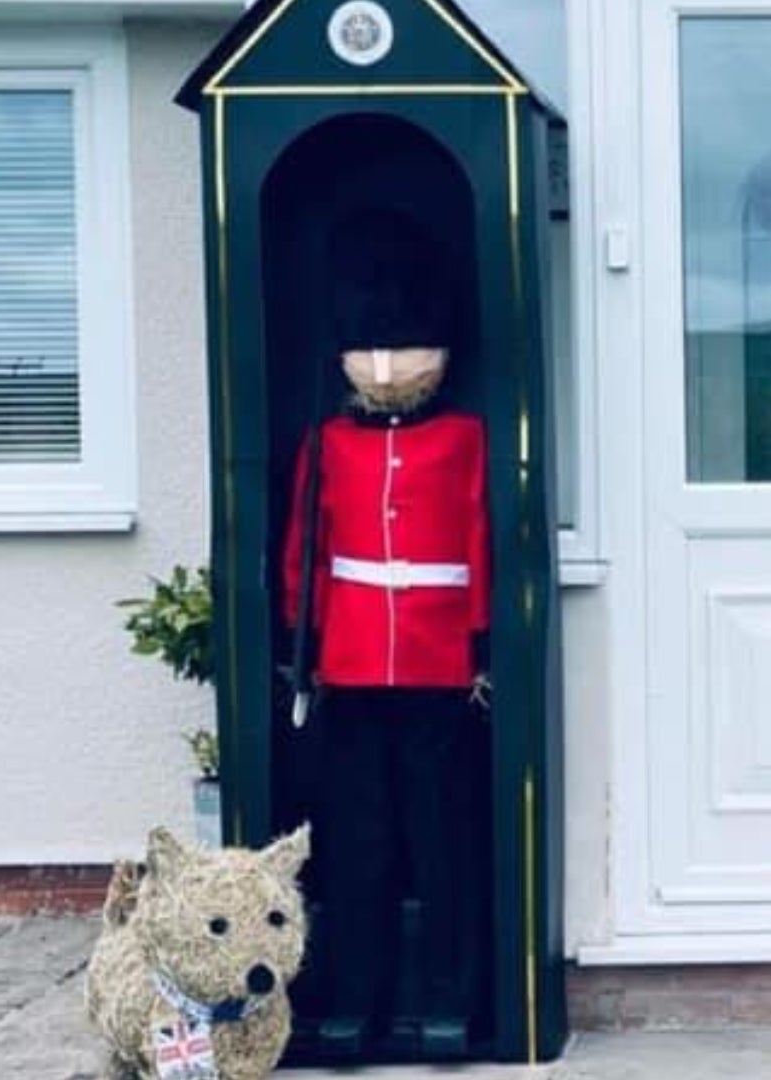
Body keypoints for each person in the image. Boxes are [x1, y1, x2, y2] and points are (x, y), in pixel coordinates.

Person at [280, 210, 490, 1060]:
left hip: (441, 669)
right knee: (359, 849)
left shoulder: (465, 439)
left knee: (441, 846)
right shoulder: (327, 443)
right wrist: (307, 651)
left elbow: (479, 541)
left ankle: (450, 1000)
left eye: (402, 344)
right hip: (353, 666)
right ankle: (353, 1002)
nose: (387, 362)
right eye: (373, 344)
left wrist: (481, 649)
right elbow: (307, 554)